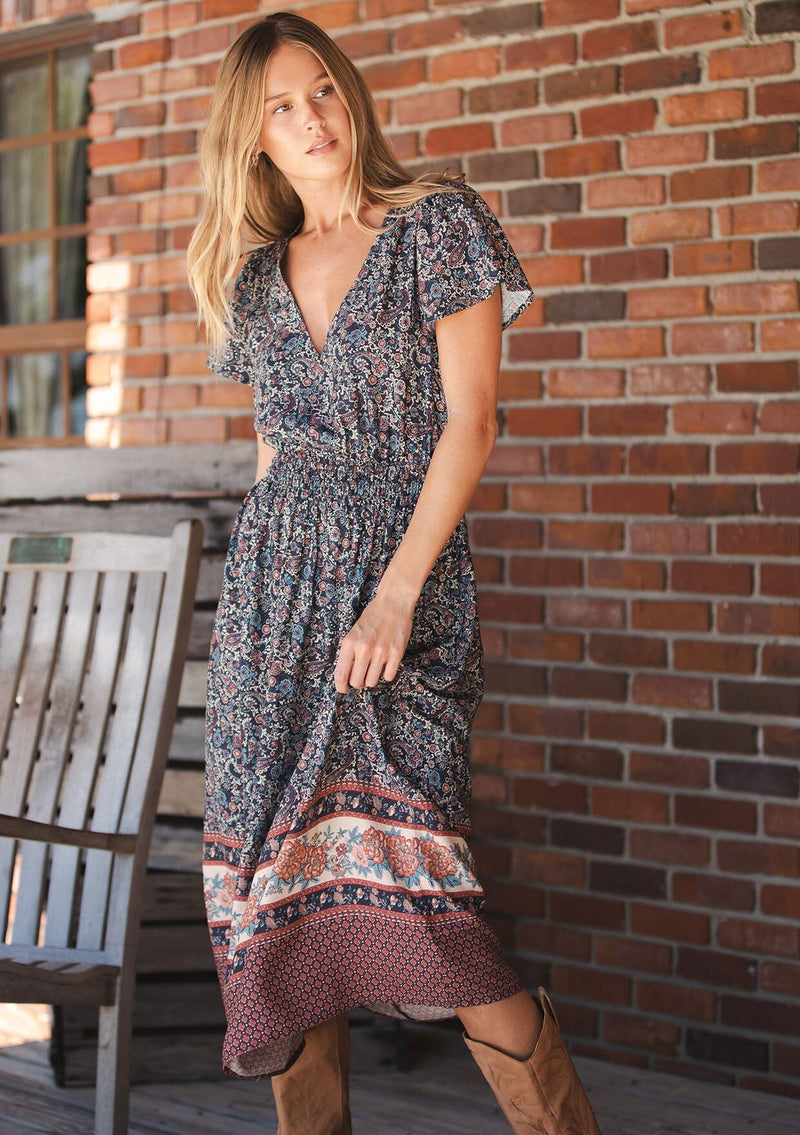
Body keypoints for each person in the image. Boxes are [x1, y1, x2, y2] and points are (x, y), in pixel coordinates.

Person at [188, 11, 601, 1135]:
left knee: (426, 891)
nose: (309, 116)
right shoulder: (257, 279)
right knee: (281, 892)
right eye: (278, 104)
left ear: (349, 95)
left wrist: (396, 590)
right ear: (251, 135)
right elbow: (274, 456)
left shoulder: (439, 227)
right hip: (273, 613)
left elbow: (472, 423)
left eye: (320, 88)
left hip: (399, 595)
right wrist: (263, 617)